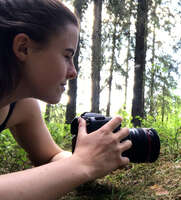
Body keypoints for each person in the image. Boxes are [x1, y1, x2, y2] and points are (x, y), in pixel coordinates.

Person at [0, 0, 132, 199]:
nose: (73, 72)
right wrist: (81, 164)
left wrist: (94, 156)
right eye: (66, 56)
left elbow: (50, 156)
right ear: (23, 48)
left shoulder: (21, 105)